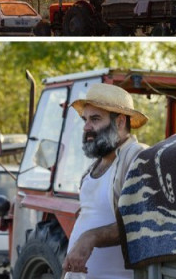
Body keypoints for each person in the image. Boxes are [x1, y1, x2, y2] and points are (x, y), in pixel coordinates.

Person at [62, 83, 151, 277]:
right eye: (85, 119)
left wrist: (90, 237)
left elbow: (140, 222)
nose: (86, 127)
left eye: (95, 119)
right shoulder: (93, 168)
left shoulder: (138, 158)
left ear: (119, 122)